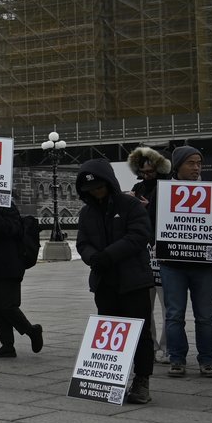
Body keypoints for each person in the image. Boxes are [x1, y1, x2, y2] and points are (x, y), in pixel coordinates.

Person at [75, 160, 156, 404]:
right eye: (91, 189)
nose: (96, 192)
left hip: (134, 280)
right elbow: (82, 243)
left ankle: (142, 380)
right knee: (110, 331)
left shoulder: (130, 204)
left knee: (141, 333)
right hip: (104, 281)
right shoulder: (87, 212)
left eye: (100, 186)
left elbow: (139, 236)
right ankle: (110, 380)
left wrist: (108, 255)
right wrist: (93, 258)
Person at [158, 145, 212, 378]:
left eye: (199, 163)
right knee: (174, 314)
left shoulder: (211, 191)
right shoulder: (164, 191)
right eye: (191, 163)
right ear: (177, 166)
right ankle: (177, 359)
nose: (196, 167)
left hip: (203, 265)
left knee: (205, 316)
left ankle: (207, 360)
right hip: (172, 264)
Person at [127, 145, 172, 364]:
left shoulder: (170, 187)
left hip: (164, 253)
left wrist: (151, 207)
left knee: (168, 306)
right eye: (143, 172)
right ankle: (151, 345)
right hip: (143, 255)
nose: (146, 176)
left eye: (151, 172)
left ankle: (167, 347)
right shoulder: (138, 187)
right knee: (145, 305)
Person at [0, 199, 44, 357]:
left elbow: (13, 228)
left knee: (6, 305)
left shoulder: (5, 203)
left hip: (9, 263)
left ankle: (32, 331)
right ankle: (7, 345)